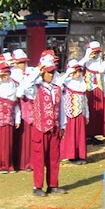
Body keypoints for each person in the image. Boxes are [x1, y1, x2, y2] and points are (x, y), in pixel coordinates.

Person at [26, 57, 67, 197]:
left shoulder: (56, 89)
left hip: (54, 127)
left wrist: (62, 125)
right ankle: (37, 186)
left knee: (54, 158)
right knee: (39, 158)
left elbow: (61, 108)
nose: (50, 75)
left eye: (52, 72)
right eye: (48, 72)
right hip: (40, 127)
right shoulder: (35, 89)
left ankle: (53, 184)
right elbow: (24, 86)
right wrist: (37, 71)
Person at [60, 59, 89, 164]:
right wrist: (68, 73)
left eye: (78, 72)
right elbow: (59, 83)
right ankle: (71, 155)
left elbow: (85, 100)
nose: (77, 75)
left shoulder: (82, 83)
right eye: (75, 72)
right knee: (71, 134)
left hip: (80, 112)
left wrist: (87, 114)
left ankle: (80, 155)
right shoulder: (66, 83)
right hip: (70, 112)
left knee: (80, 135)